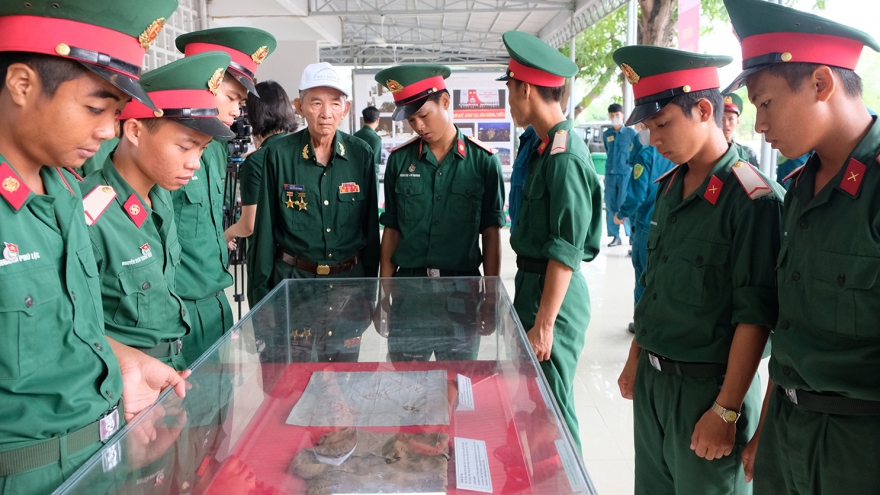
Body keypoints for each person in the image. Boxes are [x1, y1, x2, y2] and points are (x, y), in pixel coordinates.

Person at [0, 1, 190, 491]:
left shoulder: (63, 192)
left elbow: (65, 326)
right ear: (22, 85)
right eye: (93, 108)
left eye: (114, 113)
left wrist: (121, 358)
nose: (107, 131)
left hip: (99, 459)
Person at [723, 0, 880, 492]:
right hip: (786, 433)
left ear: (820, 84)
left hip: (858, 449)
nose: (759, 126)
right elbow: (790, 329)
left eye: (765, 103)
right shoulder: (799, 190)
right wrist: (765, 428)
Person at [613, 45, 785, 495]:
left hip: (708, 392)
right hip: (655, 384)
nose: (654, 139)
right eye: (649, 127)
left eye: (662, 123)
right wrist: (636, 358)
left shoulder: (752, 199)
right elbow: (655, 286)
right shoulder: (670, 188)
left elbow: (757, 315)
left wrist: (726, 410)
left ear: (704, 109)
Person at [82, 52, 236, 370]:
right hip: (129, 380)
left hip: (173, 365)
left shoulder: (160, 197)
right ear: (136, 132)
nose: (194, 162)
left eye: (202, 149)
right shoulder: (91, 214)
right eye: (184, 146)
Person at [500, 31, 602, 450]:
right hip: (535, 286)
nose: (509, 101)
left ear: (525, 88)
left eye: (509, 90)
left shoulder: (565, 157)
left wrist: (544, 326)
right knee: (537, 405)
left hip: (553, 299)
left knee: (555, 409)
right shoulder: (544, 149)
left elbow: (565, 252)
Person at [374, 64, 505, 361]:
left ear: (445, 102)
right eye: (411, 119)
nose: (418, 125)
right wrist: (383, 294)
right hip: (410, 294)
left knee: (458, 382)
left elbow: (491, 233)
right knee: (406, 385)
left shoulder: (483, 162)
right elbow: (392, 230)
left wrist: (491, 297)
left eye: (424, 115)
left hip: (462, 291)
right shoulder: (399, 162)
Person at [172, 27, 277, 365]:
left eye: (241, 103)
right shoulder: (160, 150)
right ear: (204, 83)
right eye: (232, 98)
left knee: (221, 412)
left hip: (216, 302)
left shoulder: (216, 150)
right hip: (179, 311)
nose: (237, 111)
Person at [249, 62, 380, 304]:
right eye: (316, 102)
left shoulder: (361, 154)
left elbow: (371, 228)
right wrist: (261, 300)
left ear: (346, 108)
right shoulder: (278, 155)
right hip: (293, 286)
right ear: (299, 107)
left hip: (349, 290)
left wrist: (370, 291)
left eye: (335, 103)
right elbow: (264, 231)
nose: (326, 113)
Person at [614, 125, 675, 334]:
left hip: (648, 225)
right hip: (672, 225)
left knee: (643, 276)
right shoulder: (677, 153)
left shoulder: (647, 154)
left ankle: (642, 325)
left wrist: (621, 213)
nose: (639, 130)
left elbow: (637, 195)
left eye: (643, 125)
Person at [223, 80, 296, 255]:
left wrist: (228, 233)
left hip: (270, 256)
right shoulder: (300, 150)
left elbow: (249, 225)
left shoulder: (255, 162)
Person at [603, 102, 637, 247]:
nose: (615, 118)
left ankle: (630, 235)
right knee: (611, 206)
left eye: (617, 115)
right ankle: (615, 236)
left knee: (625, 204)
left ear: (622, 115)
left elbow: (635, 154)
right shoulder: (607, 134)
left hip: (625, 175)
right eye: (612, 115)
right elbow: (607, 151)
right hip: (610, 175)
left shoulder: (631, 134)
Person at [508, 124, 538, 232]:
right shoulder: (527, 138)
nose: (511, 110)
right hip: (519, 232)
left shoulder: (537, 137)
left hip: (529, 234)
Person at [721, 92, 760, 167]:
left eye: (731, 119)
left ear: (737, 121)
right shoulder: (710, 150)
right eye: (722, 119)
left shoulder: (743, 152)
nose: (726, 124)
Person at [353, 105, 383, 175]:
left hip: (355, 174)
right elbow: (374, 163)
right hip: (371, 177)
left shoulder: (355, 135)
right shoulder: (376, 139)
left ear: (364, 118)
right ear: (378, 120)